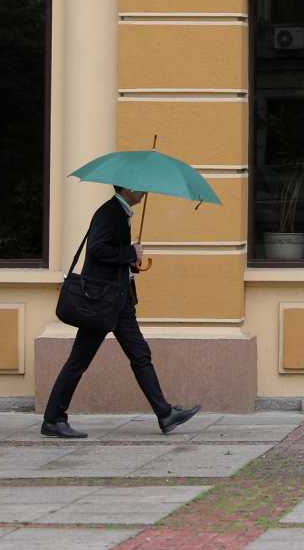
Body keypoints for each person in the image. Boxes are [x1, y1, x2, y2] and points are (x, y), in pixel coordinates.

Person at [41, 186, 200, 439]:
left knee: (140, 354)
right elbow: (97, 250)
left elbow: (109, 256)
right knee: (79, 361)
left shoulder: (120, 213)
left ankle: (165, 413)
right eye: (139, 187)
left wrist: (130, 263)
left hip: (119, 301)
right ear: (126, 188)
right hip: (102, 302)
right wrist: (129, 253)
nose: (145, 191)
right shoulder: (110, 213)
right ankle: (53, 419)